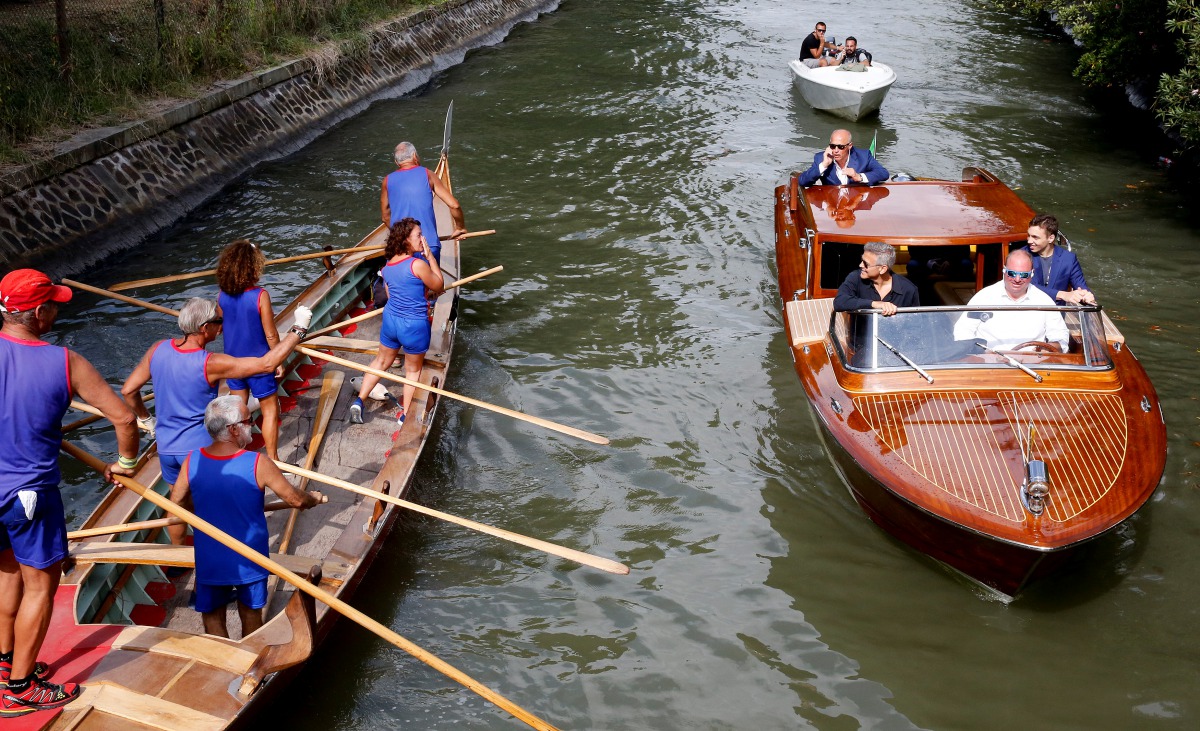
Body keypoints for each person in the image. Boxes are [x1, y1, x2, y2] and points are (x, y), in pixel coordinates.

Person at [0, 270, 139, 715]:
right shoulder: (65, 362)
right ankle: (20, 689)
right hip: (29, 493)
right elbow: (124, 419)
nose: (58, 311)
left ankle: (6, 665)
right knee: (40, 585)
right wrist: (125, 465)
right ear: (38, 312)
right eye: (54, 305)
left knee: (6, 573)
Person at [121, 298, 312, 545]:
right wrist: (298, 330)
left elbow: (128, 391)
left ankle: (177, 561)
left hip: (166, 449)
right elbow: (266, 364)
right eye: (217, 322)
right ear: (204, 328)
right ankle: (229, 552)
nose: (221, 326)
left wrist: (147, 420)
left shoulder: (158, 349)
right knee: (222, 506)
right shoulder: (210, 362)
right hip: (200, 452)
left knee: (178, 507)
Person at [172, 396, 323, 639]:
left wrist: (204, 511)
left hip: (210, 554)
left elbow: (177, 501)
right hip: (250, 555)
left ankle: (225, 665)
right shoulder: (257, 463)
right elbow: (295, 499)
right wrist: (312, 499)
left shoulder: (192, 461)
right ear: (232, 429)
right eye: (249, 420)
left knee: (212, 613)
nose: (252, 425)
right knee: (251, 613)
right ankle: (250, 662)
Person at [349, 218, 445, 428]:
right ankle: (405, 417)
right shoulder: (418, 264)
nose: (423, 239)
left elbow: (391, 295)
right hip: (414, 326)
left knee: (380, 362)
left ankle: (360, 401)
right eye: (418, 235)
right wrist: (431, 257)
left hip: (391, 321)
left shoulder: (389, 265)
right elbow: (439, 284)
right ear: (405, 240)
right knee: (412, 371)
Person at [216, 239, 285, 462]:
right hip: (260, 364)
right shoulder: (260, 295)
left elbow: (221, 324)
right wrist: (278, 359)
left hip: (233, 365)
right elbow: (271, 334)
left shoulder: (221, 296)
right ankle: (273, 458)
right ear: (252, 267)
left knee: (236, 414)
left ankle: (238, 455)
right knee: (269, 411)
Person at [953, 249, 1069, 352]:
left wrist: (1047, 349)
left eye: (1024, 275)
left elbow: (1060, 337)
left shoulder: (1045, 301)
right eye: (1012, 273)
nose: (1017, 279)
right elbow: (963, 331)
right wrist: (981, 353)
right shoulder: (983, 297)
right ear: (1004, 271)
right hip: (989, 364)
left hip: (1032, 365)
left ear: (1032, 274)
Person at [380, 142, 466, 264]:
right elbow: (454, 205)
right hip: (427, 244)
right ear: (415, 156)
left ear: (396, 163)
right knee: (432, 282)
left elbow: (385, 217)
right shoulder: (428, 174)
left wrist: (400, 234)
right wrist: (460, 228)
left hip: (399, 245)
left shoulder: (387, 180)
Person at [1020, 214, 1095, 306]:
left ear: (1051, 238)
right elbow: (1026, 286)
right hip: (1029, 311)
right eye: (1029, 236)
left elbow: (1080, 285)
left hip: (1056, 316)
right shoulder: (1021, 256)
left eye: (1035, 237)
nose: (1029, 241)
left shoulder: (1069, 259)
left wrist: (1085, 295)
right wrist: (1062, 295)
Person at [834, 242, 919, 316]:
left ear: (882, 269)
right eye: (861, 260)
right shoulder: (855, 277)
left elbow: (914, 323)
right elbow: (839, 302)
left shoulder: (909, 289)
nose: (860, 265)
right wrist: (874, 304)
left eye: (866, 264)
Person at [797, 129, 889, 186]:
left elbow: (883, 173)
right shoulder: (821, 158)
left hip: (856, 204)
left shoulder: (864, 156)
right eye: (833, 146)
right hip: (833, 206)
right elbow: (802, 181)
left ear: (849, 146)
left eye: (841, 147)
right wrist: (824, 166)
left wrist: (859, 176)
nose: (836, 150)